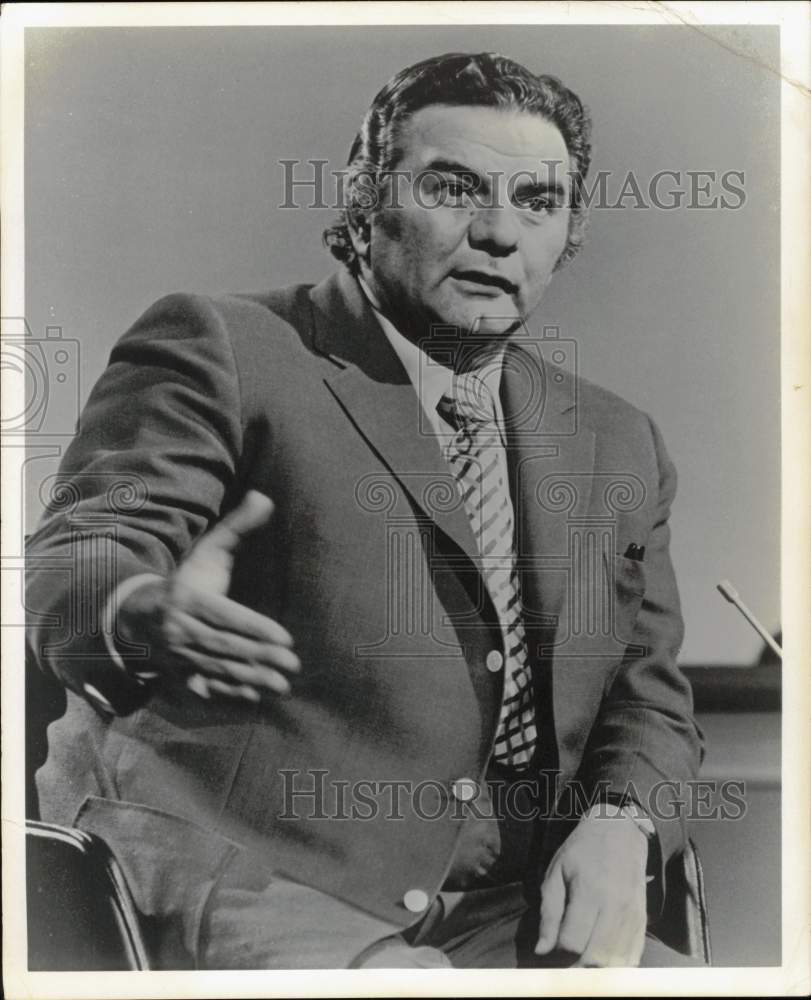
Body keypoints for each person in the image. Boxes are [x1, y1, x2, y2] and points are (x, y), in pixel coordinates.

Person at [25, 52, 704, 969]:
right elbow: (84, 548)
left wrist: (623, 825)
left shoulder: (618, 441)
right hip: (239, 866)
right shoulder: (223, 345)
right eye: (453, 187)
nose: (499, 232)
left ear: (568, 235)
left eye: (538, 202)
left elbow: (646, 698)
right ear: (362, 200)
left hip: (499, 906)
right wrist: (137, 611)